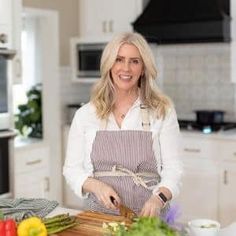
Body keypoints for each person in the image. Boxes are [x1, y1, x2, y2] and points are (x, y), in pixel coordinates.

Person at [63, 32, 182, 217]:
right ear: (109, 65)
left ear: (143, 68)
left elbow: (174, 169)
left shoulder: (161, 111)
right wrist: (97, 186)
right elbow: (71, 169)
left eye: (134, 61)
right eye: (119, 60)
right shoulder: (85, 115)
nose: (126, 68)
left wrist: (158, 199)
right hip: (99, 218)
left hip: (148, 219)